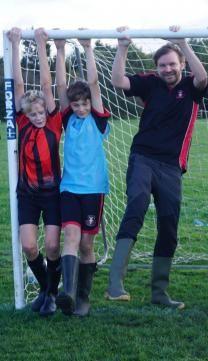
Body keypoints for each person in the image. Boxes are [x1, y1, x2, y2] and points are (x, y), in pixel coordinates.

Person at [104, 26, 208, 309]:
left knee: (169, 226)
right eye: (162, 65)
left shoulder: (191, 88)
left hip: (172, 167)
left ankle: (159, 293)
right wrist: (123, 46)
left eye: (172, 64)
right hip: (143, 158)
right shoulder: (150, 83)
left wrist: (183, 43)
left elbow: (203, 77)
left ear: (181, 65)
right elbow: (118, 81)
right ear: (157, 68)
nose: (167, 69)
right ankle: (115, 284)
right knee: (136, 206)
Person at [54, 32, 111, 316]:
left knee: (87, 244)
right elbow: (63, 85)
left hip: (93, 190)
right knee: (71, 238)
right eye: (76, 105)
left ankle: (83, 297)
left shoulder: (98, 121)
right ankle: (67, 293)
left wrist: (88, 49)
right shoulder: (68, 119)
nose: (80, 108)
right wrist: (60, 50)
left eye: (84, 104)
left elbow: (93, 84)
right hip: (69, 189)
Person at [8, 27, 62, 317]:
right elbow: (18, 86)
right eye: (33, 114)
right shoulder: (23, 123)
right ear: (25, 115)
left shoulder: (53, 123)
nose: (38, 117)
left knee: (52, 246)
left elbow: (45, 82)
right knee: (30, 246)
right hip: (28, 194)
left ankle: (50, 294)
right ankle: (48, 290)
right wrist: (15, 45)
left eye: (41, 112)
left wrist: (43, 45)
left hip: (53, 193)